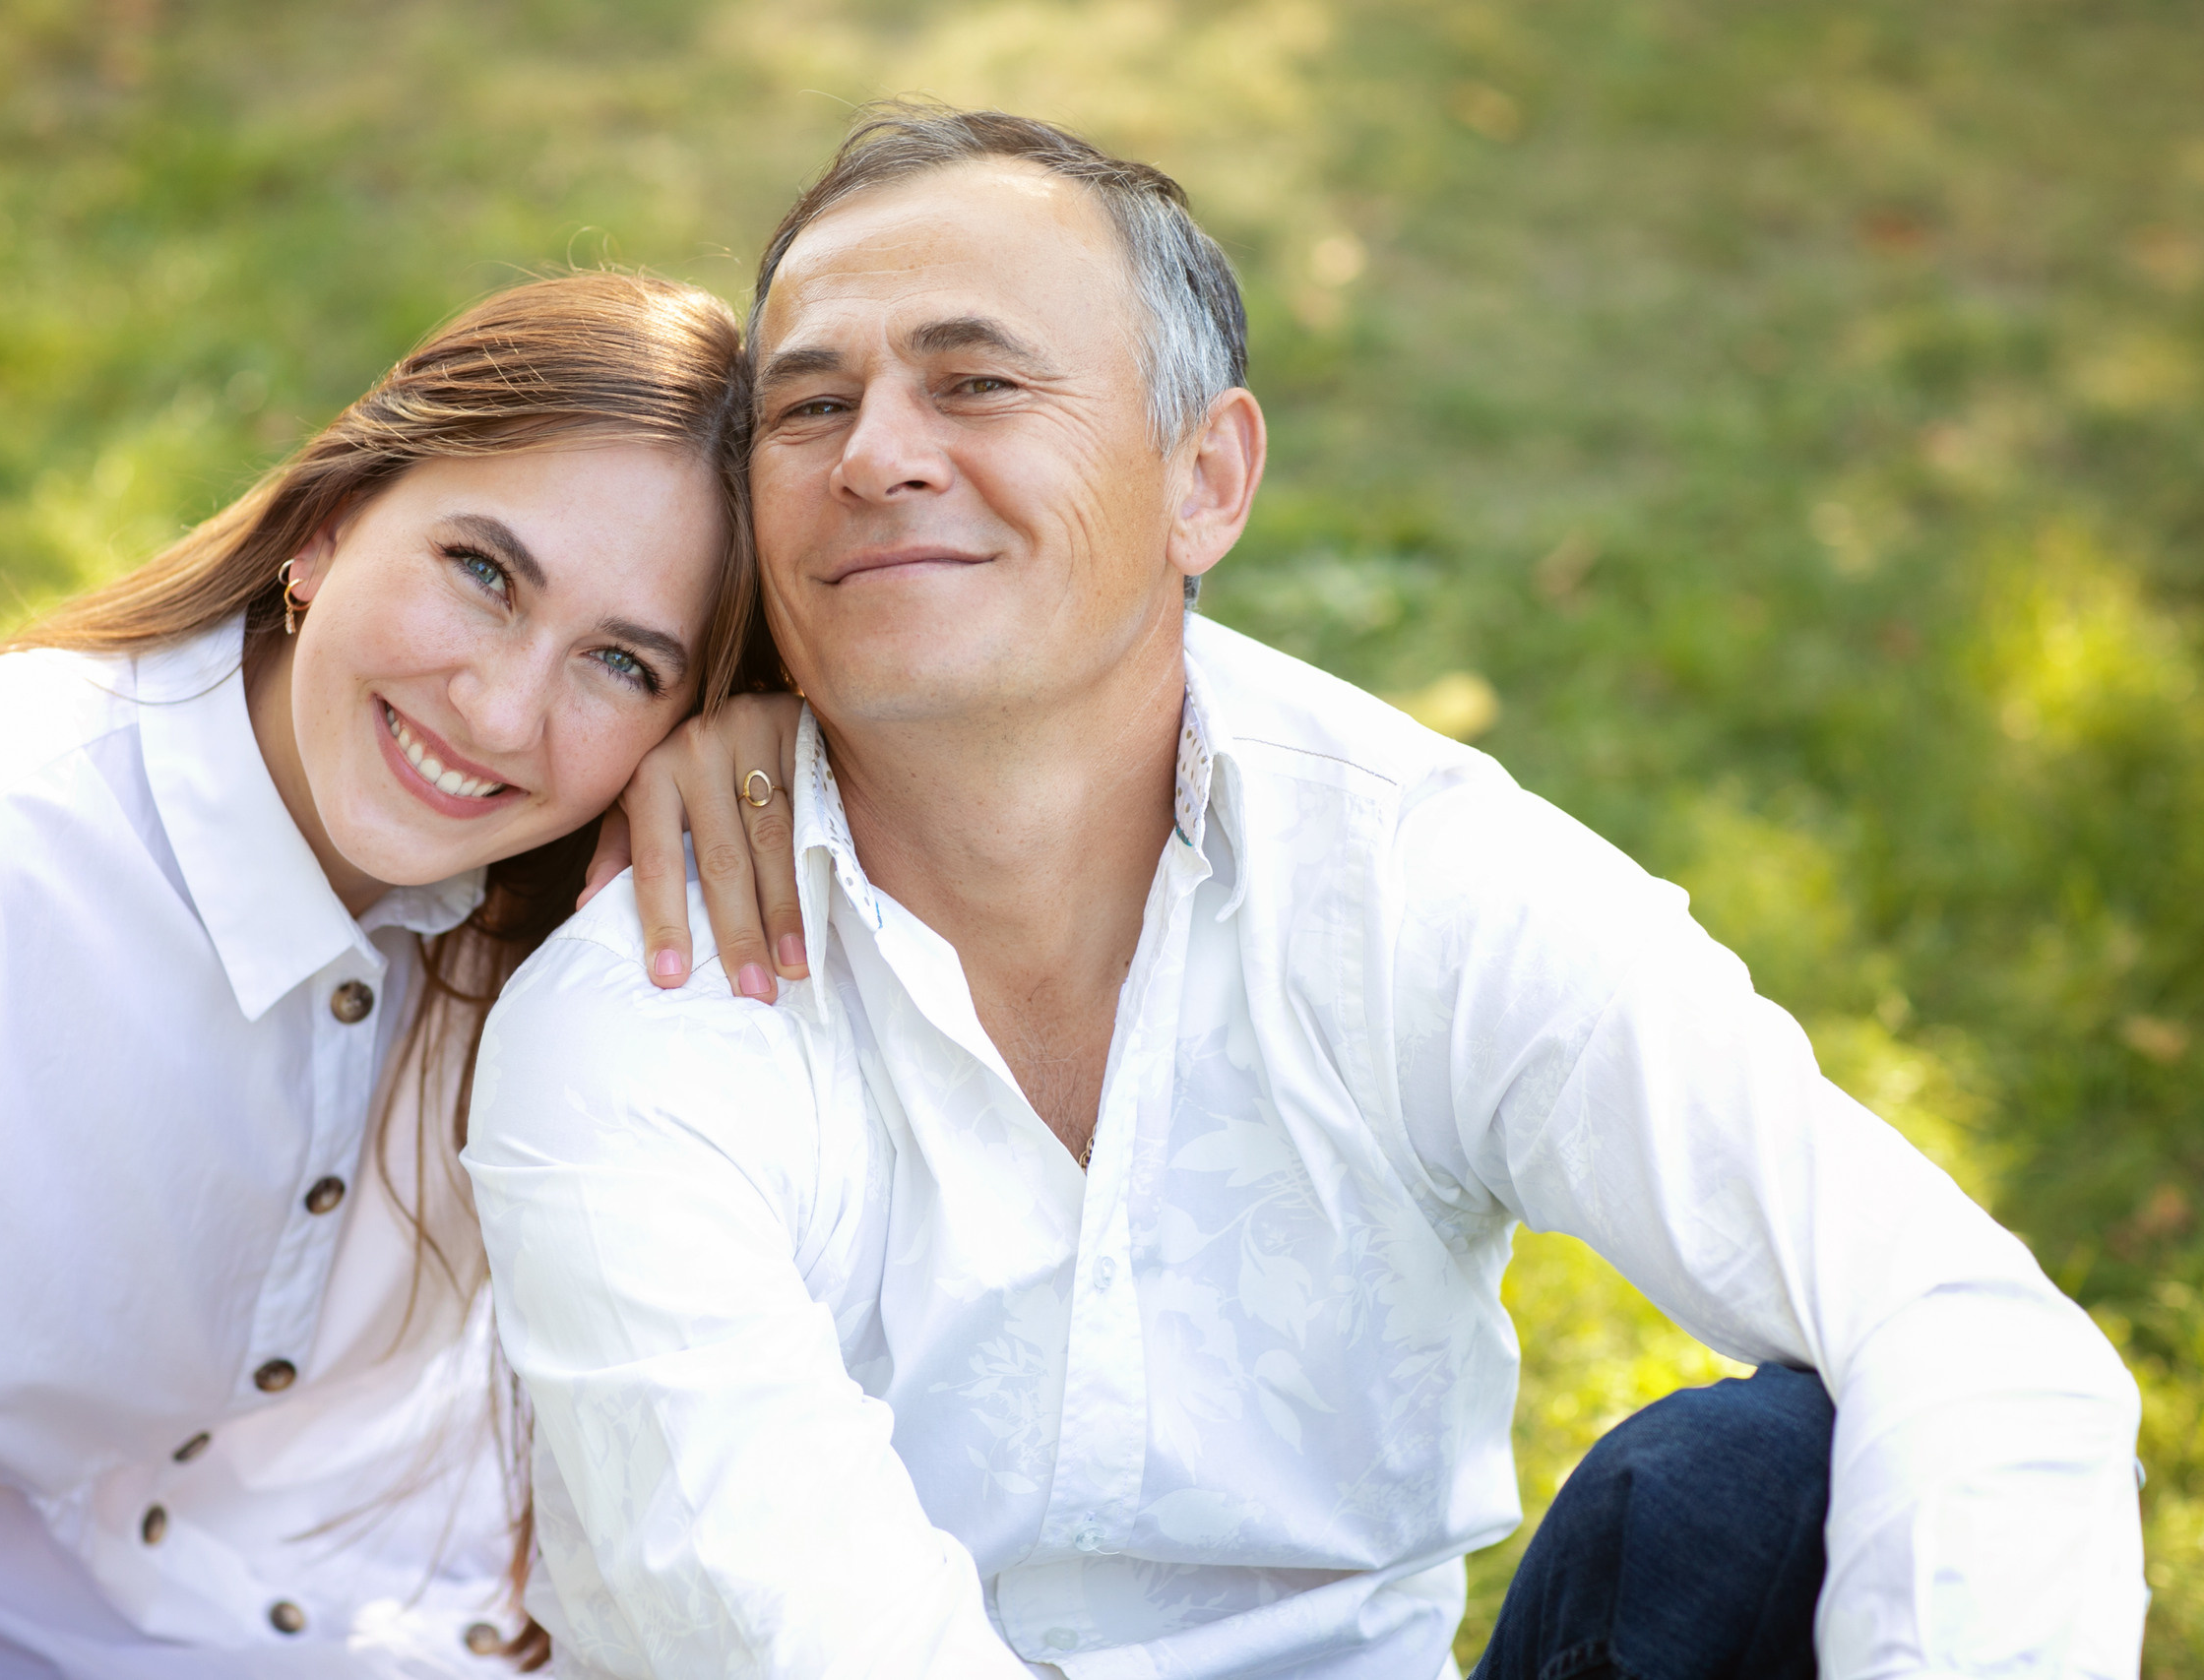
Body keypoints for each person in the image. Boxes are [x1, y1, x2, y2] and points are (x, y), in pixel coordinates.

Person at [463, 107, 2149, 1678]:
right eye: (810, 405)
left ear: (1206, 480)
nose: (877, 454)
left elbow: (1966, 1325)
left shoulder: (1411, 875)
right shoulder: (639, 1019)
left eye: (976, 384)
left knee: (1757, 1487)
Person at [0, 272, 809, 1679]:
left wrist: (764, 762)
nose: (505, 711)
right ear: (330, 524)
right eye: (483, 572)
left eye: (625, 665)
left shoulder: (572, 910)